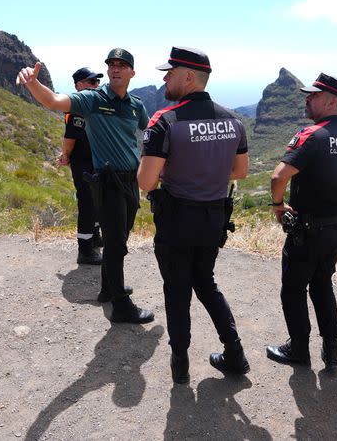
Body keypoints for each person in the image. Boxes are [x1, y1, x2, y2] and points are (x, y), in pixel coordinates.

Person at [137, 46, 250, 384]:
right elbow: (240, 172)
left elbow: (146, 180)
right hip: (213, 219)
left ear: (188, 77)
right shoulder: (234, 121)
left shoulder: (165, 121)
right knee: (206, 283)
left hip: (176, 219)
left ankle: (180, 364)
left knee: (177, 289)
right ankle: (235, 351)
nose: (165, 78)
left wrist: (176, 167)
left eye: (169, 73)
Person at [17, 48, 154, 324]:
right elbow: (55, 101)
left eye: (121, 65)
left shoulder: (135, 105)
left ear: (132, 72)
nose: (115, 69)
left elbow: (150, 131)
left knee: (120, 239)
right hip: (107, 182)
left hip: (130, 180)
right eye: (111, 64)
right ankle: (121, 305)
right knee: (115, 245)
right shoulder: (92, 99)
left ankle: (107, 288)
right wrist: (34, 84)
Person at [265, 73, 337, 370]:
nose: (307, 98)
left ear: (331, 101)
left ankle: (298, 349)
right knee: (322, 286)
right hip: (334, 228)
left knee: (293, 289)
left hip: (306, 230)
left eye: (314, 95)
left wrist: (279, 206)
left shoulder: (312, 135)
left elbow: (278, 176)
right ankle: (331, 352)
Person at [60, 67, 104, 265]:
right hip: (83, 163)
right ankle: (85, 250)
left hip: (95, 162)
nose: (96, 85)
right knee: (87, 203)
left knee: (97, 201)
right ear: (79, 85)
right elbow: (70, 138)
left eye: (97, 82)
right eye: (91, 82)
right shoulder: (78, 108)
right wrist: (65, 155)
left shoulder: (90, 105)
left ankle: (94, 238)